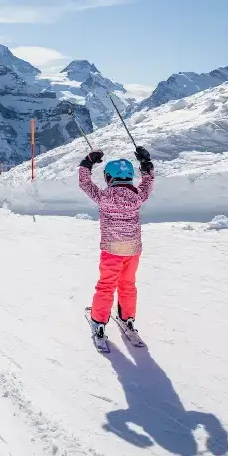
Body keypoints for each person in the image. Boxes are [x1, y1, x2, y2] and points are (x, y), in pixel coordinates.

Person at [79, 146, 154, 341]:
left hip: (112, 250)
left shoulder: (104, 197)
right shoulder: (137, 197)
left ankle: (99, 322)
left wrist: (87, 162)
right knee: (128, 284)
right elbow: (148, 183)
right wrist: (146, 164)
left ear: (109, 178)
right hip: (133, 250)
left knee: (106, 285)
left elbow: (85, 183)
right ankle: (127, 318)